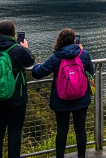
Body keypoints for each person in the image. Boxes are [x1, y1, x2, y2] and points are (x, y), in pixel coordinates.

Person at [31, 29, 95, 158]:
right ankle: (81, 156)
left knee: (62, 130)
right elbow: (91, 71)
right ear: (74, 40)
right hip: (81, 98)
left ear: (59, 41)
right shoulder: (83, 54)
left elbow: (38, 73)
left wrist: (34, 65)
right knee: (80, 129)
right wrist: (81, 50)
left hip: (61, 99)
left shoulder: (56, 57)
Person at [0, 21, 35, 158]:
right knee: (14, 134)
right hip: (15, 100)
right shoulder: (18, 50)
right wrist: (25, 48)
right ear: (13, 34)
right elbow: (30, 62)